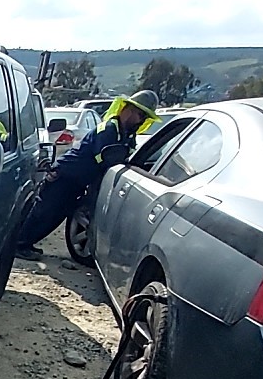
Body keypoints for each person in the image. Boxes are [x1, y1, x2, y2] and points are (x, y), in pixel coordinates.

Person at [14, 90, 161, 261]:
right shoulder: (109, 130)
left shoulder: (125, 133)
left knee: (56, 216)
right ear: (126, 110)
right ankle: (19, 245)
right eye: (140, 115)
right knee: (45, 212)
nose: (141, 120)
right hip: (65, 175)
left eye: (144, 117)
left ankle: (26, 244)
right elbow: (106, 160)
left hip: (77, 180)